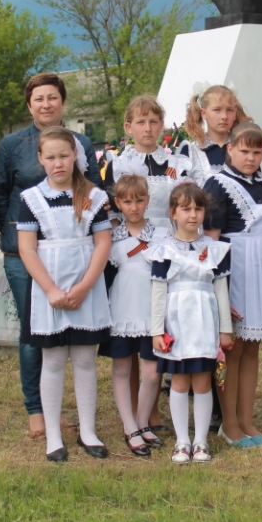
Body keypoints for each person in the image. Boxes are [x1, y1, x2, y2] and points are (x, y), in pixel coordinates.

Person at [0, 73, 102, 439]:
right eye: (39, 98)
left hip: (74, 253)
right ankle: (36, 410)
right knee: (33, 333)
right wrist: (18, 232)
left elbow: (93, 193)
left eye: (53, 97)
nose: (46, 104)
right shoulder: (11, 145)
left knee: (75, 335)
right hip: (24, 252)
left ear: (63, 102)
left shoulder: (82, 142)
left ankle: (75, 415)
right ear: (29, 104)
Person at [17, 126, 113, 462]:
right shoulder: (32, 199)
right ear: (41, 159)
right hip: (50, 289)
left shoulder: (93, 196)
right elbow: (27, 249)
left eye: (64, 155)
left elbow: (103, 242)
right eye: (51, 157)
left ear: (75, 156)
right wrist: (51, 290)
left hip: (86, 285)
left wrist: (85, 286)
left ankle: (88, 430)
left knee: (86, 359)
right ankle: (54, 436)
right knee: (54, 360)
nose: (59, 163)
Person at [203, 122, 262, 449]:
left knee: (252, 348)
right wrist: (217, 288)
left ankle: (247, 419)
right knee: (231, 349)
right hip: (234, 270)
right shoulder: (217, 184)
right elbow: (209, 243)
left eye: (257, 151)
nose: (250, 157)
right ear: (230, 149)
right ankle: (229, 422)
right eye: (244, 150)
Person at [148, 182, 233, 464]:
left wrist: (225, 330)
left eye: (198, 208)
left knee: (203, 382)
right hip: (177, 323)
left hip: (204, 322)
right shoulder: (163, 250)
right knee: (180, 382)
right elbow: (158, 291)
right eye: (185, 209)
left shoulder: (215, 249)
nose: (192, 214)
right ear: (173, 212)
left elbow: (221, 290)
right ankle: (182, 441)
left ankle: (201, 442)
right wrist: (156, 330)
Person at [100, 174, 168, 457]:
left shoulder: (161, 234)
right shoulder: (110, 236)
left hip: (152, 310)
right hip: (121, 309)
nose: (134, 206)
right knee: (122, 368)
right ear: (118, 202)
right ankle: (129, 426)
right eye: (127, 201)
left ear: (147, 200)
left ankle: (142, 422)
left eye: (139, 200)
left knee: (152, 372)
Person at [104, 95, 192, 230]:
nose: (148, 128)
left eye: (153, 122)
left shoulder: (176, 165)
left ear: (161, 125)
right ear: (128, 127)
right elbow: (113, 214)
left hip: (169, 242)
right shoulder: (118, 166)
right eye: (141, 122)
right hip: (130, 242)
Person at [179, 84, 253, 184]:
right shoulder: (190, 151)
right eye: (217, 110)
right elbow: (179, 190)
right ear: (203, 113)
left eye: (229, 110)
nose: (224, 116)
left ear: (235, 113)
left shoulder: (245, 148)